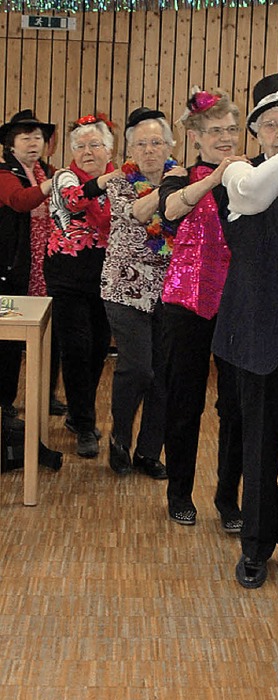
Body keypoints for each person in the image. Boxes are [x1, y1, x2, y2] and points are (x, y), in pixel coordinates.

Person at [213, 73, 278, 589]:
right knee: (259, 443)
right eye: (270, 125)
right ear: (256, 134)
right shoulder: (238, 175)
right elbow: (253, 202)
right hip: (258, 334)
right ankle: (255, 545)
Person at [158, 88, 243, 527]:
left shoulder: (252, 177)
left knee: (234, 407)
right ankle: (179, 493)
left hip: (236, 306)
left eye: (231, 129)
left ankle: (229, 501)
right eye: (215, 131)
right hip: (185, 304)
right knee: (183, 402)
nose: (225, 138)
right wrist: (213, 178)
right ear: (196, 137)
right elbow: (171, 209)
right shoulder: (180, 177)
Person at [101, 106, 179, 478]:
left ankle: (149, 452)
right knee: (137, 368)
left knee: (163, 374)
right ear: (130, 151)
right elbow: (138, 213)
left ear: (170, 145)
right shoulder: (116, 182)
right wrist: (171, 187)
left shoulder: (185, 180)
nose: (150, 150)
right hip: (124, 287)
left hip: (169, 291)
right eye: (141, 144)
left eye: (157, 142)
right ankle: (119, 439)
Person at [46, 114, 122, 458]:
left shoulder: (123, 180)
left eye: (95, 144)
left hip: (105, 278)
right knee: (75, 348)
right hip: (67, 278)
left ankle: (80, 414)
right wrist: (103, 181)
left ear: (109, 148)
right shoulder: (64, 177)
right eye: (80, 146)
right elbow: (75, 200)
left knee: (96, 351)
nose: (87, 151)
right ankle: (85, 422)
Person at [0, 109, 60, 429]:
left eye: (38, 136)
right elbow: (19, 201)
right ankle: (4, 401)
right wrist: (53, 184)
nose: (34, 142)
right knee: (8, 342)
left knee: (51, 332)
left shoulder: (44, 171)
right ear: (11, 144)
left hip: (45, 263)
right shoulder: (3, 173)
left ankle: (45, 394)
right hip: (14, 266)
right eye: (26, 137)